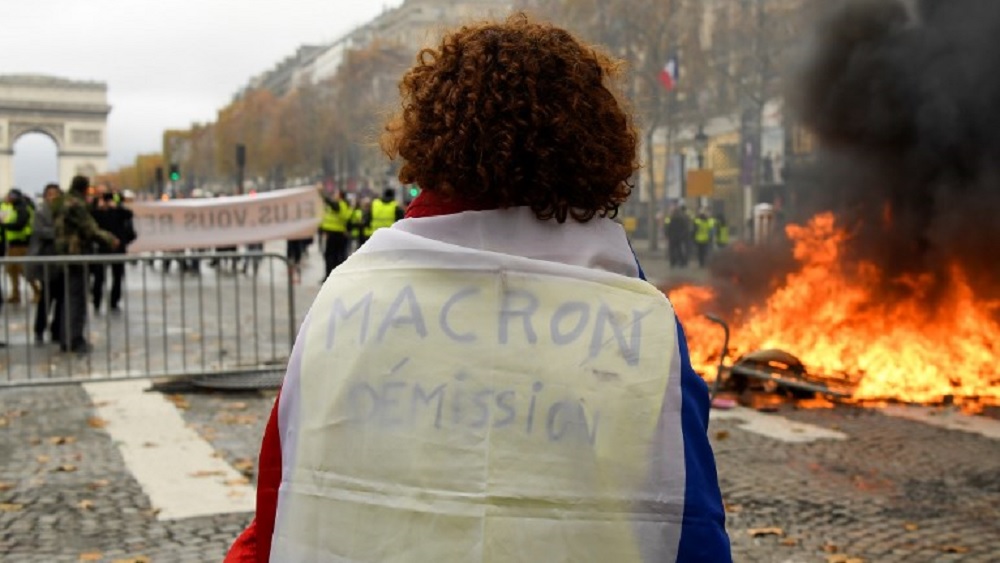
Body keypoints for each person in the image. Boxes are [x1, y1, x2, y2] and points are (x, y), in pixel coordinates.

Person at [226, 14, 730, 562]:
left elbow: (279, 503)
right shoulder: (642, 329)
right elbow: (690, 524)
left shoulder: (344, 300)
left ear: (433, 138)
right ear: (592, 146)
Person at [52, 175, 118, 353]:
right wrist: (110, 239)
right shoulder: (76, 204)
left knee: (67, 298)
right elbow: (89, 228)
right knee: (78, 297)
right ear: (84, 188)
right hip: (76, 253)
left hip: (62, 252)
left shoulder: (62, 201)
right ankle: (75, 339)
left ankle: (65, 338)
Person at [89, 186, 136, 313]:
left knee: (116, 277)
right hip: (104, 247)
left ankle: (113, 301)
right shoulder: (97, 212)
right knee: (100, 278)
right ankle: (97, 300)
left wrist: (116, 207)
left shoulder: (118, 211)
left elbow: (129, 214)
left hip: (115, 247)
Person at [28, 183, 64, 345]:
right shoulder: (40, 212)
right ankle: (39, 330)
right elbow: (39, 232)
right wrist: (59, 233)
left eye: (55, 194)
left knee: (61, 298)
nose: (53, 197)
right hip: (47, 260)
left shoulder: (64, 212)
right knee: (46, 298)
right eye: (50, 194)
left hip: (62, 261)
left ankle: (57, 330)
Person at [1, 188, 38, 304]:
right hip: (12, 244)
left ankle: (37, 291)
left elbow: (19, 224)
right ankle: (15, 294)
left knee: (23, 270)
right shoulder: (14, 207)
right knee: (12, 270)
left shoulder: (22, 208)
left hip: (21, 244)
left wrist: (5, 225)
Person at [317, 186, 352, 281]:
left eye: (336, 193)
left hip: (335, 234)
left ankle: (331, 276)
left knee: (331, 256)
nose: (334, 195)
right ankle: (334, 275)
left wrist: (321, 193)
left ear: (340, 196)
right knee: (335, 256)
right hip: (336, 234)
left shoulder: (340, 205)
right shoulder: (343, 205)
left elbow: (331, 204)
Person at [667, 203, 692, 268]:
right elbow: (685, 228)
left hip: (673, 237)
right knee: (679, 250)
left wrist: (668, 235)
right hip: (679, 237)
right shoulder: (682, 218)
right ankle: (682, 262)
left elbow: (669, 228)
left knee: (673, 250)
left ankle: (673, 262)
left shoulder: (672, 218)